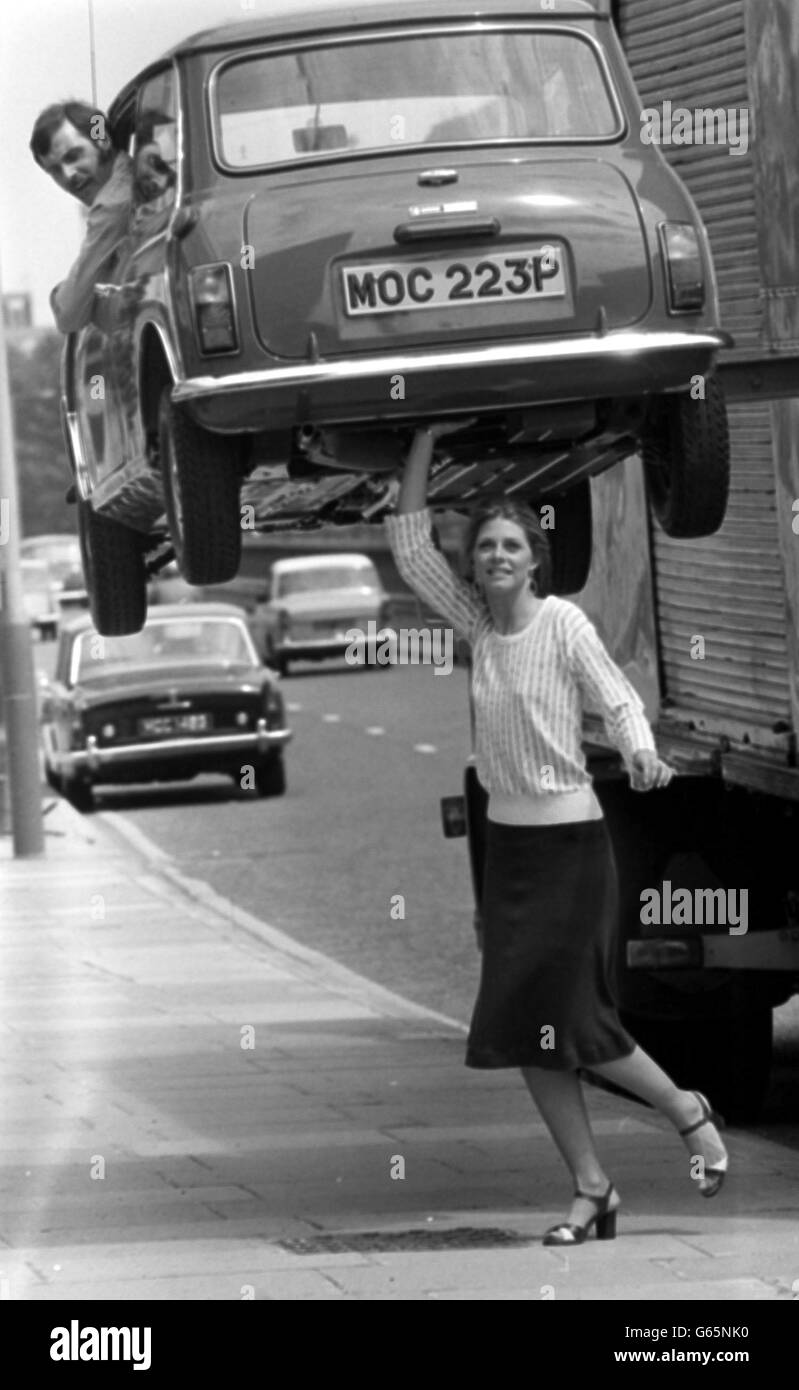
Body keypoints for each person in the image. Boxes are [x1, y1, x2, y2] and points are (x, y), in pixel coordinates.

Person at [385, 422, 729, 1245]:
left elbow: (616, 698)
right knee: (521, 1028)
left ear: (534, 559)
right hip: (509, 858)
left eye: (511, 545)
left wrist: (641, 754)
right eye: (485, 547)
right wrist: (426, 436)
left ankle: (688, 1112)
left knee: (578, 1023)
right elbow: (407, 542)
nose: (496, 557)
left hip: (573, 852)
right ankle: (590, 1189)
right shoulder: (475, 629)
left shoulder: (563, 625)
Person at [29, 100, 134, 334]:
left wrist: (63, 295)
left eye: (74, 156)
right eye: (55, 170)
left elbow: (69, 315)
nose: (68, 175)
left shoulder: (113, 205)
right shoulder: (128, 182)